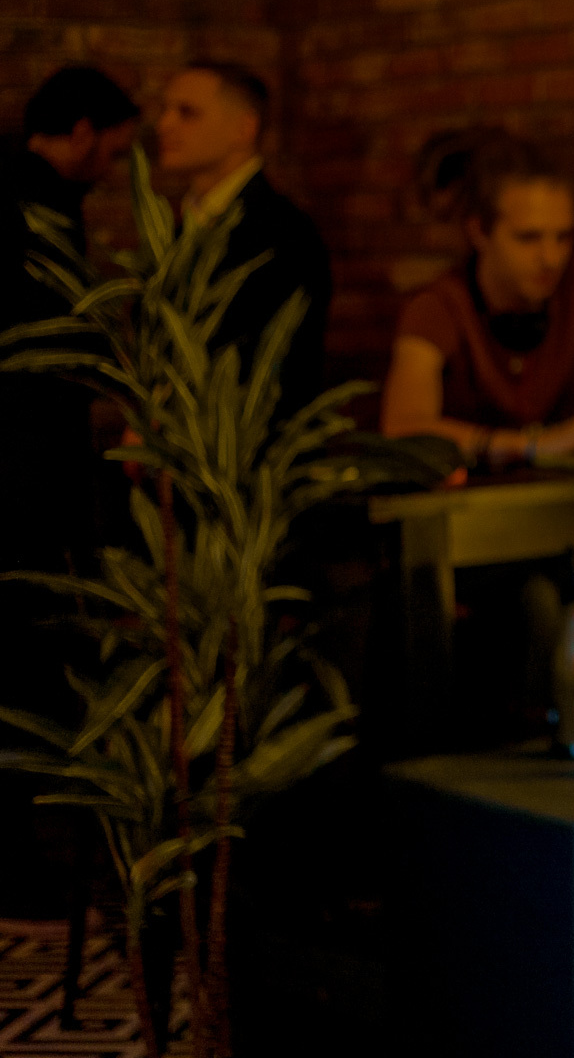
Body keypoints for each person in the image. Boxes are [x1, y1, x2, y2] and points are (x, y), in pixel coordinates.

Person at [0, 64, 139, 916]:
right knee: (27, 663)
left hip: (30, 472)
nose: (115, 169)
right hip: (23, 479)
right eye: (114, 150)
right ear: (83, 131)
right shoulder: (31, 202)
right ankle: (23, 866)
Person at [380, 130, 574, 467]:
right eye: (528, 238)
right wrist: (530, 446)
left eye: (563, 237)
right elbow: (402, 429)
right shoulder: (438, 307)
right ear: (479, 232)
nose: (551, 258)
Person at [154, 61, 332, 415]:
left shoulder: (282, 231)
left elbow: (271, 365)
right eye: (165, 110)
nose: (164, 124)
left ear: (243, 128)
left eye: (187, 112)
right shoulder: (182, 223)